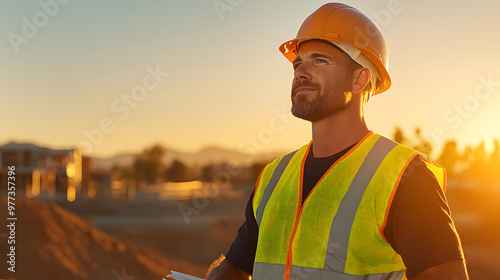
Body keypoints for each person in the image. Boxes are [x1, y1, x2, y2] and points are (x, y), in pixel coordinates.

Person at [206, 3, 468, 280]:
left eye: (319, 60)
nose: (300, 72)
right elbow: (235, 268)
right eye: (298, 63)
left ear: (359, 79)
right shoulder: (274, 177)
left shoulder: (404, 176)